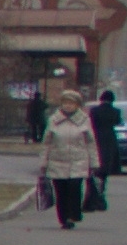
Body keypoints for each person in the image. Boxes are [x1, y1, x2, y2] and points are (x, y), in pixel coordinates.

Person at [38, 83, 104, 229]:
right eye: (65, 103)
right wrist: (43, 163)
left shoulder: (84, 120)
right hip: (57, 161)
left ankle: (74, 214)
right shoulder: (54, 120)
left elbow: (91, 143)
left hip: (78, 161)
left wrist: (94, 163)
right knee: (61, 191)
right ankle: (63, 218)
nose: (68, 106)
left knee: (74, 188)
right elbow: (46, 143)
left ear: (77, 105)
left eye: (71, 103)